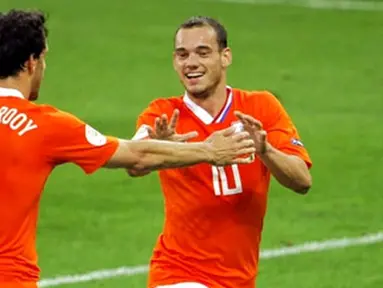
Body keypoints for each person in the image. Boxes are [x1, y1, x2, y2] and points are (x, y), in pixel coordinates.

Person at [0, 10, 256, 288]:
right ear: (31, 63)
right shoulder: (45, 125)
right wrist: (209, 151)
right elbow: (136, 154)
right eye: (44, 59)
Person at [128, 16, 313, 288]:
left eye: (202, 53)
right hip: (178, 272)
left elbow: (302, 181)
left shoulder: (261, 107)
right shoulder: (163, 115)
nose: (190, 63)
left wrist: (265, 150)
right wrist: (164, 146)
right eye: (182, 55)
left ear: (225, 57)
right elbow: (134, 162)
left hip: (240, 278)